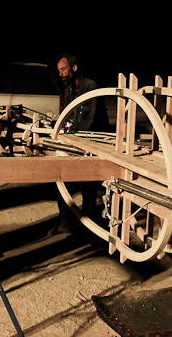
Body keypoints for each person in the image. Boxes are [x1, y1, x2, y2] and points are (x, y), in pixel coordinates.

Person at [52, 54, 110, 234]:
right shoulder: (69, 89)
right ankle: (65, 222)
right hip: (75, 141)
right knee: (62, 180)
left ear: (74, 68)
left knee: (89, 186)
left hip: (93, 142)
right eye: (59, 70)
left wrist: (73, 134)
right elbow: (68, 116)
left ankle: (88, 225)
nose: (60, 73)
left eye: (63, 69)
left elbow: (91, 120)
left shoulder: (91, 86)